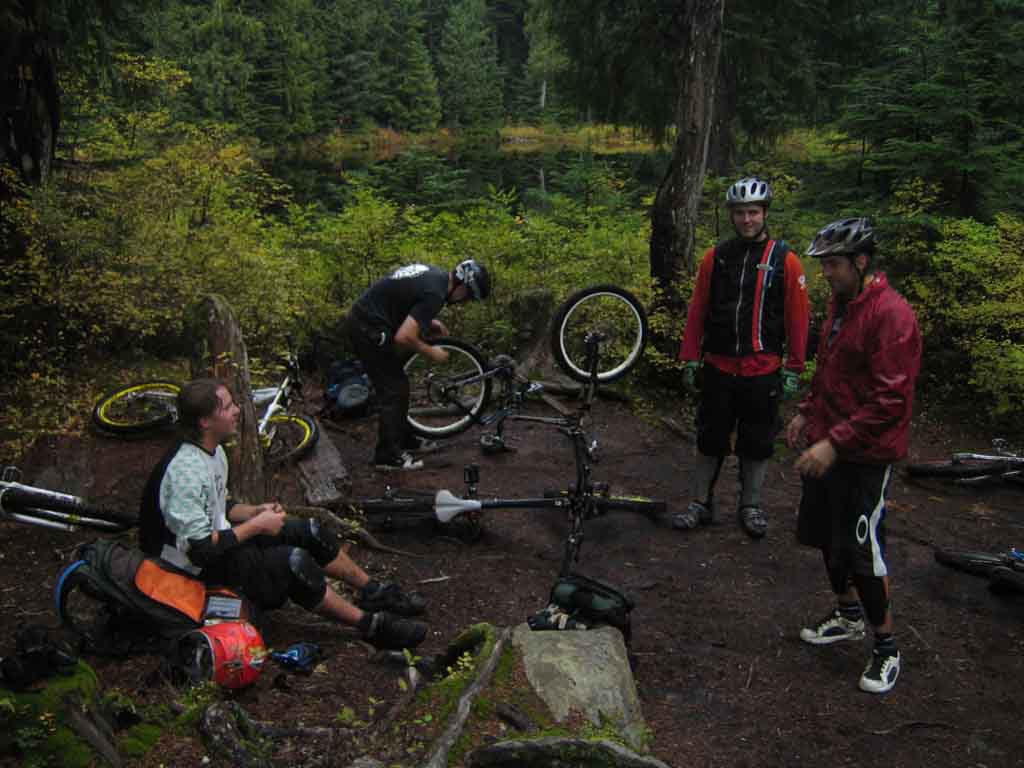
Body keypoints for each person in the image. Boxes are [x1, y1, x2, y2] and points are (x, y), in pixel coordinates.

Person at [139, 379, 428, 650]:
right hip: (188, 570)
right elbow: (199, 550)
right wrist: (256, 525)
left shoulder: (212, 451)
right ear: (205, 421)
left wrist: (254, 512)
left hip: (219, 543)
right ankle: (370, 626)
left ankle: (374, 591)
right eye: (227, 407)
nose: (237, 410)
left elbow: (217, 507)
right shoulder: (185, 472)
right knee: (292, 564)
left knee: (309, 531)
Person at [786, 217, 921, 694]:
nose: (826, 273)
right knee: (826, 536)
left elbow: (891, 401)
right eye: (824, 264)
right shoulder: (842, 306)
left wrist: (835, 442)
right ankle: (847, 616)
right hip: (829, 441)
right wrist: (806, 412)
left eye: (834, 264)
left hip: (865, 455)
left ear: (861, 262)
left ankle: (887, 647)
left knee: (863, 552)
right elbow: (830, 372)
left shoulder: (892, 316)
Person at [675, 177, 809, 538]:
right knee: (710, 436)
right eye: (739, 213)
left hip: (762, 368)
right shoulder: (716, 257)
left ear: (764, 213)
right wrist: (691, 356)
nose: (746, 219)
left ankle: (751, 506)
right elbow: (698, 308)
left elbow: (798, 318)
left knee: (757, 441)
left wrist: (795, 367)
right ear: (731, 215)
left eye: (753, 212)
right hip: (718, 365)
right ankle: (700, 503)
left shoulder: (785, 260)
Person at [347, 259, 492, 471]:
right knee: (394, 389)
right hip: (367, 327)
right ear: (461, 286)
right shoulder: (436, 293)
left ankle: (404, 439)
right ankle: (387, 456)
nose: (465, 302)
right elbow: (404, 337)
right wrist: (431, 351)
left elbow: (401, 299)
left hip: (369, 318)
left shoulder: (436, 277)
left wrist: (429, 321)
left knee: (398, 383)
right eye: (468, 296)